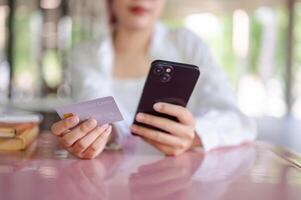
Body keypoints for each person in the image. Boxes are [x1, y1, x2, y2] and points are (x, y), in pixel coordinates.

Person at [51, 0, 256, 159]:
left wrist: (195, 135)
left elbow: (237, 119)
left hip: (181, 178)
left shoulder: (188, 44)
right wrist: (96, 134)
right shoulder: (84, 54)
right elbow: (103, 117)